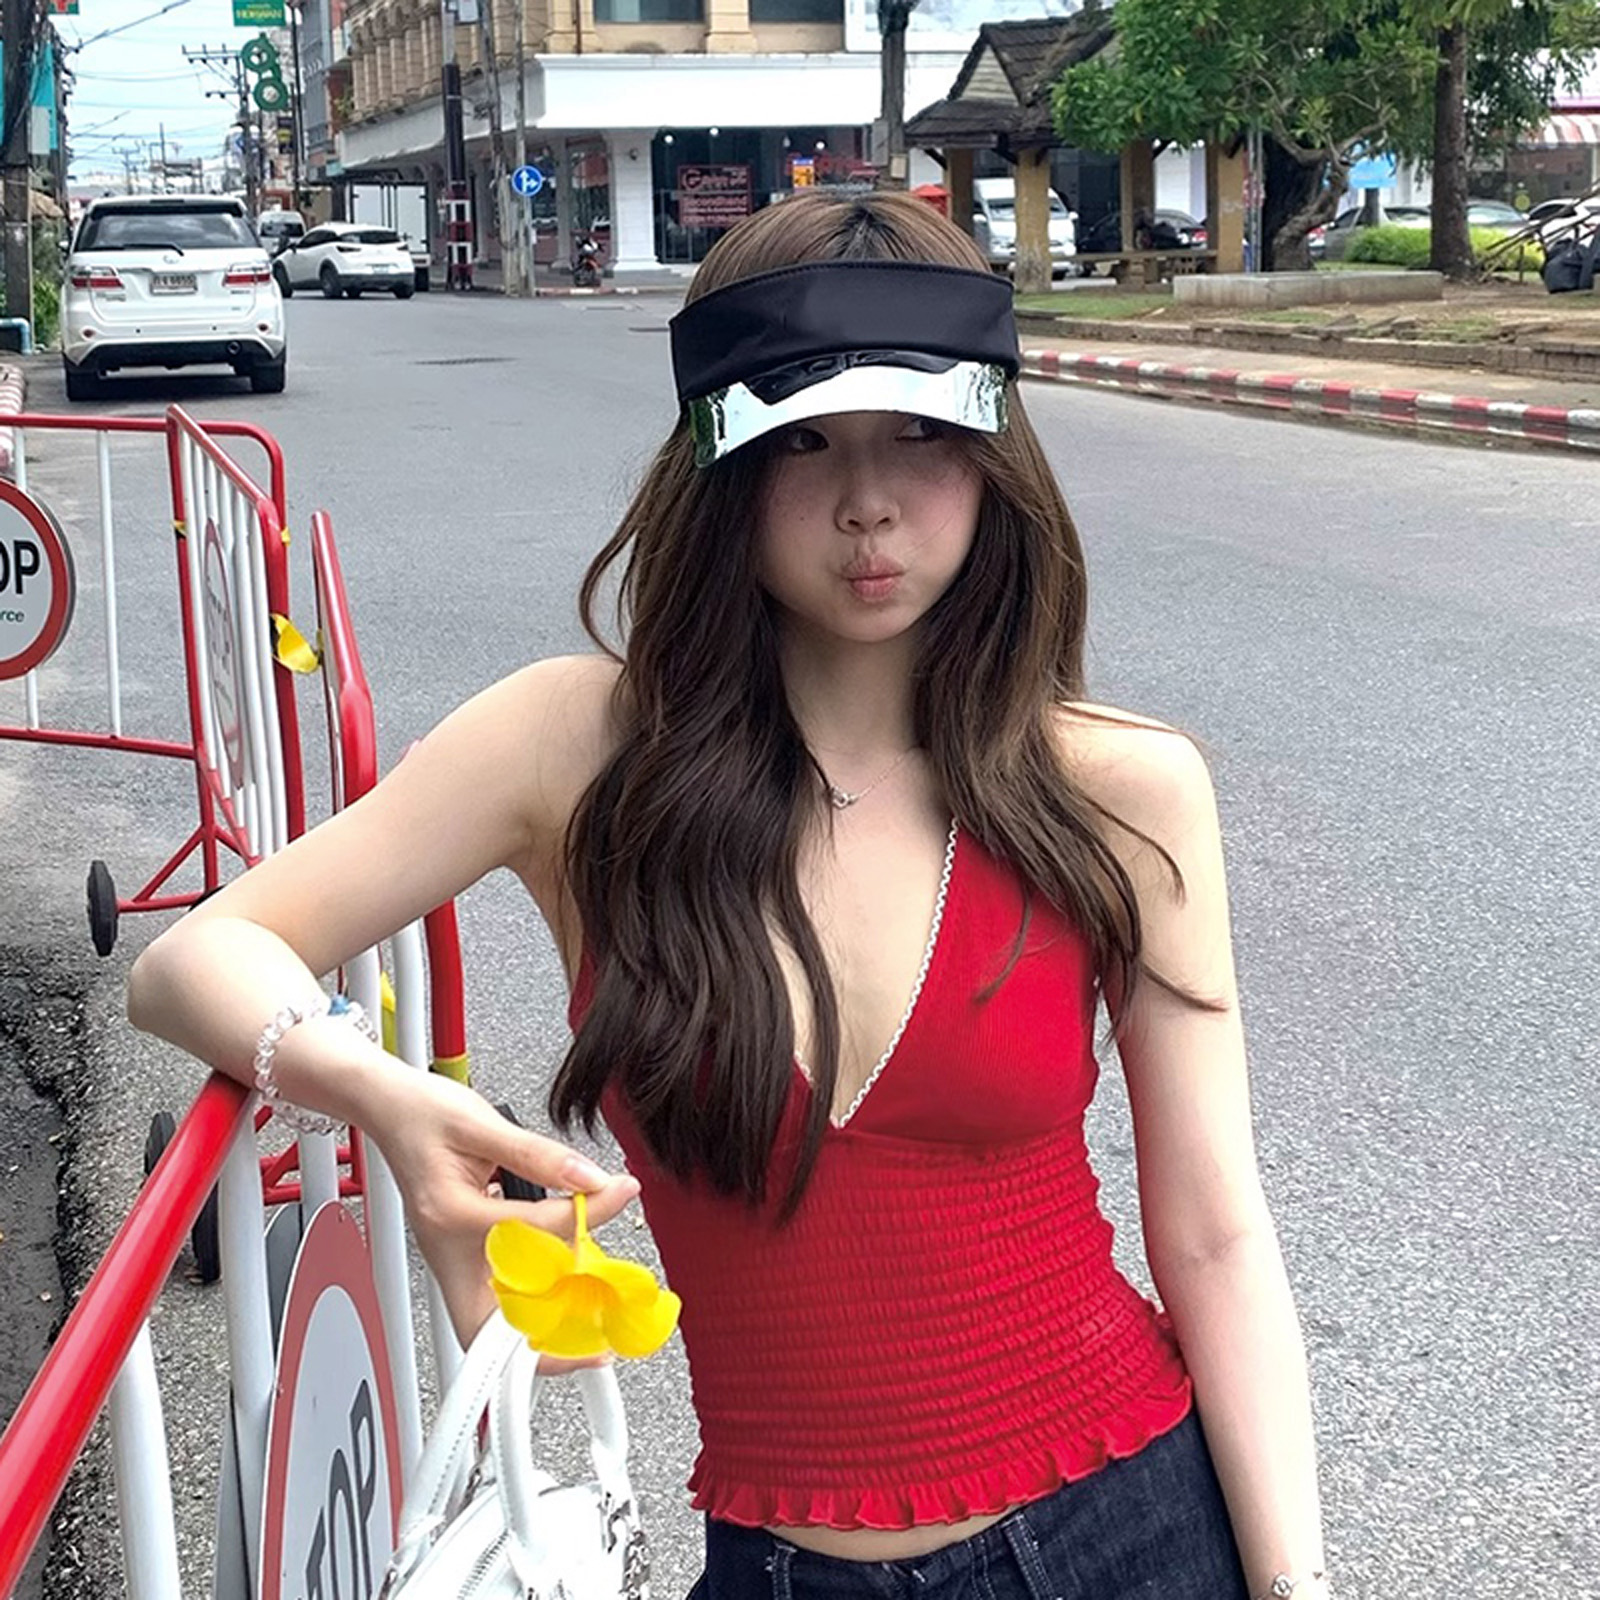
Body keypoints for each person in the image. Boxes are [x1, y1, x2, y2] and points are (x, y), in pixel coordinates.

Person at [128, 191, 1330, 1599]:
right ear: (719, 461)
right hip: (781, 1565)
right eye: (803, 438)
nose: (868, 500)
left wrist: (1293, 1586)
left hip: (1129, 1530)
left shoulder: (1117, 787)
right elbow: (194, 959)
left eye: (922, 433)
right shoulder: (580, 750)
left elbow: (1214, 1235)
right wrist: (385, 1103)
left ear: (996, 453)